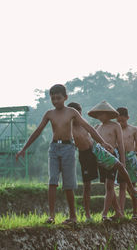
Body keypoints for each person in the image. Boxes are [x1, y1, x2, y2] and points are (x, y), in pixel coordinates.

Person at [16, 84, 113, 225]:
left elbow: (89, 127)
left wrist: (102, 142)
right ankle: (51, 216)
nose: (55, 101)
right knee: (53, 180)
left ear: (65, 97)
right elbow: (38, 131)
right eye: (53, 98)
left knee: (68, 184)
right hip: (54, 148)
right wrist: (24, 148)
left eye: (58, 98)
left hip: (68, 148)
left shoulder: (72, 112)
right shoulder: (49, 114)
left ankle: (73, 216)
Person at [88, 101, 137, 221]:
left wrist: (122, 160)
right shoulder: (97, 127)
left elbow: (121, 145)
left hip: (112, 157)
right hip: (101, 159)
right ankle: (118, 212)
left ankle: (104, 214)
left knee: (110, 186)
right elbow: (93, 144)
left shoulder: (115, 126)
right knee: (108, 187)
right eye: (98, 115)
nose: (100, 117)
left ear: (108, 114)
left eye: (101, 114)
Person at [67, 102, 98, 221]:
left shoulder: (84, 123)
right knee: (87, 186)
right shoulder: (69, 128)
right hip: (84, 155)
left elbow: (92, 134)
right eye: (75, 113)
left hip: (95, 150)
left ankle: (116, 211)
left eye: (79, 112)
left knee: (108, 180)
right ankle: (87, 214)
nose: (77, 115)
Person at [116, 107, 137, 218]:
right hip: (120, 158)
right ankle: (120, 212)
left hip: (131, 158)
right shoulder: (116, 129)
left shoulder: (133, 129)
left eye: (122, 121)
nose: (120, 123)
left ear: (127, 118)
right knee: (122, 187)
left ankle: (135, 212)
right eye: (118, 121)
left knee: (132, 187)